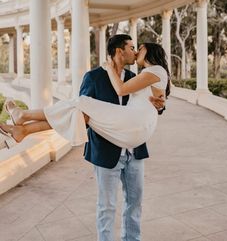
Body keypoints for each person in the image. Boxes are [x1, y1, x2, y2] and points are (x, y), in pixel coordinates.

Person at [0, 35, 169, 241]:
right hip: (106, 149)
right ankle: (23, 127)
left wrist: (161, 106)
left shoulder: (136, 76)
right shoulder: (94, 77)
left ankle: (24, 125)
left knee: (135, 203)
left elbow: (150, 104)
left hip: (134, 149)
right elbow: (78, 116)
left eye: (137, 48)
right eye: (132, 47)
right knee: (106, 207)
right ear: (119, 51)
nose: (135, 52)